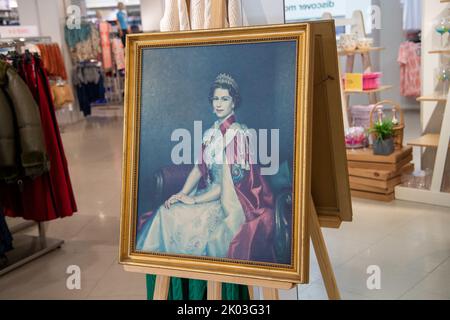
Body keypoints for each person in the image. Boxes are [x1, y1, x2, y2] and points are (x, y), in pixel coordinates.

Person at [137, 73, 276, 263]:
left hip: (226, 200)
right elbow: (198, 169)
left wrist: (195, 200)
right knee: (166, 211)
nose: (218, 104)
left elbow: (227, 186)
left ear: (233, 102)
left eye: (224, 99)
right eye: (216, 99)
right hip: (209, 192)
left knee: (199, 230)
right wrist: (182, 194)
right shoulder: (210, 134)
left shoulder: (238, 135)